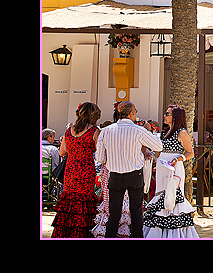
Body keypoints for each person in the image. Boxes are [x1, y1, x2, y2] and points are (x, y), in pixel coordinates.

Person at [94, 101, 162, 238]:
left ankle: (110, 237)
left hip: (115, 176)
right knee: (136, 212)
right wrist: (150, 132)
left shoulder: (106, 131)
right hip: (134, 175)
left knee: (113, 213)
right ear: (131, 113)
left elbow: (100, 158)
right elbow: (158, 146)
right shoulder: (138, 130)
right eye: (135, 112)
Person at [143, 104, 199, 238]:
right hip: (163, 169)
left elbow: (190, 152)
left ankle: (174, 233)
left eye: (167, 114)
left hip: (174, 169)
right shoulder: (165, 132)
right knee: (161, 196)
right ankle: (159, 231)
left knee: (172, 196)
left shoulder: (182, 132)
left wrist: (179, 158)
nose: (164, 116)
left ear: (175, 117)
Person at [52, 102, 102, 238]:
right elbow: (101, 153)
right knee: (84, 201)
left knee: (69, 200)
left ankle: (65, 233)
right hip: (86, 169)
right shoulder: (94, 131)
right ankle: (81, 233)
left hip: (71, 168)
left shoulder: (69, 131)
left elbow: (62, 152)